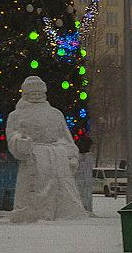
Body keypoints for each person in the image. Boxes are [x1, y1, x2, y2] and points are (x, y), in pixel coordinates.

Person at [5, 75, 86, 223]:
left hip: (57, 160)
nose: (36, 96)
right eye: (32, 94)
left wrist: (71, 155)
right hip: (34, 160)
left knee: (61, 195)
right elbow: (12, 136)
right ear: (25, 95)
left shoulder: (56, 114)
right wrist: (21, 143)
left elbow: (65, 137)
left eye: (39, 93)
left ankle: (63, 215)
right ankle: (31, 216)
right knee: (33, 193)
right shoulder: (16, 115)